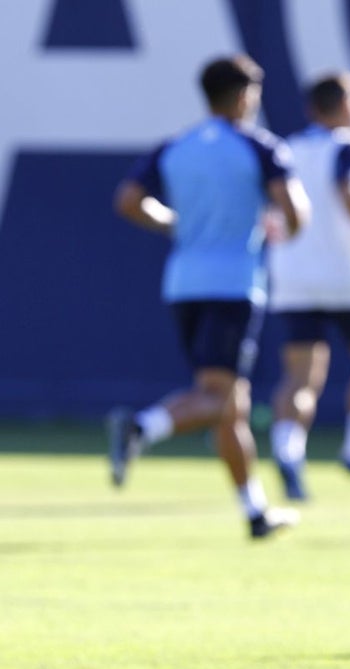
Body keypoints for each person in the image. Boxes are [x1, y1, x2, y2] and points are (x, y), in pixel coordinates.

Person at [109, 54, 310, 539]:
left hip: (183, 286)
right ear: (244, 96)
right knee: (219, 398)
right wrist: (275, 227)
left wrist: (174, 223)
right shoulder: (260, 146)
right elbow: (296, 214)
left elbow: (128, 200)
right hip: (233, 286)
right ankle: (142, 426)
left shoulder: (176, 146)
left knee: (229, 405)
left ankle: (255, 512)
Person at [267, 71, 350, 501]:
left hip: (293, 279)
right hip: (347, 277)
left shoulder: (285, 149)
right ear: (343, 106)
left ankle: (288, 452)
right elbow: (347, 191)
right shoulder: (348, 143)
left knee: (300, 376)